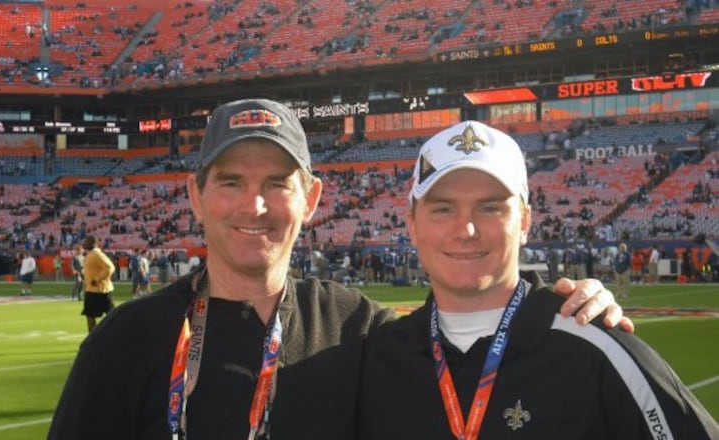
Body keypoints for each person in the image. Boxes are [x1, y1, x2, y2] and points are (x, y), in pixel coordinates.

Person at [49, 99, 629, 440]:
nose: (255, 206)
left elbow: (466, 335)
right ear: (196, 196)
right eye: (231, 182)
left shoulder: (359, 329)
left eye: (278, 184)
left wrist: (577, 303)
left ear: (313, 199)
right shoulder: (124, 342)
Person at [358, 120, 719, 439]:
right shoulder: (374, 359)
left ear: (526, 222)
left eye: (490, 208)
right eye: (442, 209)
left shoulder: (598, 347)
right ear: (412, 225)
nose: (465, 229)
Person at [81, 235, 115, 332]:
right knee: (90, 315)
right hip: (92, 290)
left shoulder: (96, 254)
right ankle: (93, 338)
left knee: (112, 316)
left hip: (101, 290)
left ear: (93, 243)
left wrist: (97, 279)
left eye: (86, 241)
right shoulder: (91, 254)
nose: (84, 243)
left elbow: (110, 267)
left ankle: (111, 335)